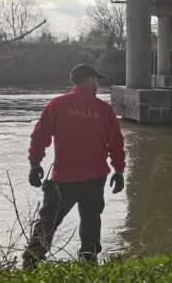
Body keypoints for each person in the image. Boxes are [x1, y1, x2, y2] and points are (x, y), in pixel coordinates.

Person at [23, 64, 126, 270]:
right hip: (94, 179)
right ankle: (88, 262)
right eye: (96, 79)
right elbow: (116, 143)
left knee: (47, 222)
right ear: (88, 80)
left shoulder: (58, 105)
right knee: (91, 223)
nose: (98, 83)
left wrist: (35, 164)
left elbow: (40, 136)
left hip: (63, 179)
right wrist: (119, 171)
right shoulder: (104, 110)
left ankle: (31, 263)